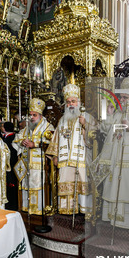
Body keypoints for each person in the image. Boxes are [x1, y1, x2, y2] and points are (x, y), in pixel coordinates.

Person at [98, 78, 129, 229]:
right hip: (114, 156)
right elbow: (104, 130)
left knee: (128, 186)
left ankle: (128, 221)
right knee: (113, 184)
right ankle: (112, 218)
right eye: (121, 97)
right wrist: (108, 115)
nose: (121, 99)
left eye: (125, 97)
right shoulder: (118, 112)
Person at [46, 83, 94, 215]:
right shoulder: (62, 120)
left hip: (81, 159)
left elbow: (95, 137)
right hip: (64, 160)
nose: (70, 104)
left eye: (73, 101)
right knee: (65, 183)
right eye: (68, 102)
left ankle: (84, 211)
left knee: (82, 183)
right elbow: (55, 138)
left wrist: (86, 126)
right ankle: (67, 210)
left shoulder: (87, 117)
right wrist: (55, 156)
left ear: (79, 102)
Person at [12, 98, 55, 215]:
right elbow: (17, 139)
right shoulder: (27, 128)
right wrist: (22, 143)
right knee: (26, 186)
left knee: (38, 186)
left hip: (40, 165)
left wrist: (35, 144)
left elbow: (52, 144)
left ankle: (39, 211)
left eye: (34, 115)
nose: (31, 117)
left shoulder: (48, 127)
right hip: (26, 165)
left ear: (40, 115)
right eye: (30, 115)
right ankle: (26, 210)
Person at [2, 122, 18, 210]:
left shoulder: (9, 139)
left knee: (10, 184)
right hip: (10, 165)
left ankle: (11, 205)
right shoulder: (11, 137)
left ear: (4, 128)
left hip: (10, 165)